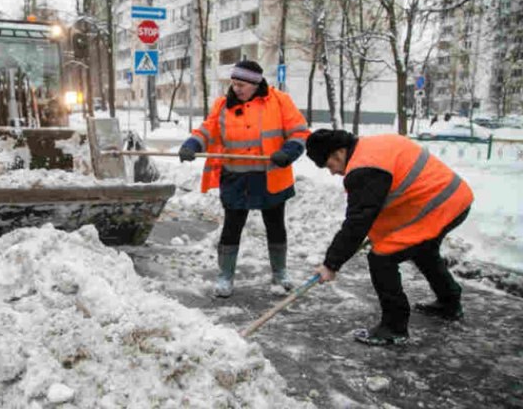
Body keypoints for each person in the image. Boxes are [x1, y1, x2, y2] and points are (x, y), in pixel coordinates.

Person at [306, 129, 473, 346]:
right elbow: (378, 208)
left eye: (329, 166)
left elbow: (358, 222)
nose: (332, 173)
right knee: (424, 250)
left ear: (338, 153)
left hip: (439, 205)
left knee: (381, 258)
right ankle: (449, 303)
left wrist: (331, 264)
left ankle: (394, 328)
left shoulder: (364, 169)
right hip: (453, 198)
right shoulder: (372, 147)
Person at [179, 60, 310, 297]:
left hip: (270, 177)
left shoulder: (279, 101)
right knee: (232, 227)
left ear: (255, 84)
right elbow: (207, 130)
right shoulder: (223, 105)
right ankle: (225, 276)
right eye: (234, 84)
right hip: (236, 179)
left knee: (275, 225)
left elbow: (299, 131)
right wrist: (192, 144)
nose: (236, 89)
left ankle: (280, 273)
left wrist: (288, 152)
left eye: (241, 84)